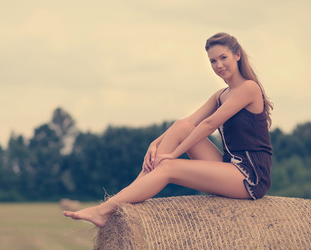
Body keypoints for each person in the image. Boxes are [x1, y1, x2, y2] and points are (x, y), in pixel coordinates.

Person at [63, 32, 273, 228]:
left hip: (250, 175)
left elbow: (209, 125)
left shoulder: (249, 88)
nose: (218, 65)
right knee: (181, 126)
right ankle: (129, 196)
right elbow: (188, 122)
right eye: (212, 61)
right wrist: (154, 144)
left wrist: (172, 154)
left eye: (223, 57)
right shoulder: (221, 94)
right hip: (228, 166)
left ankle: (105, 210)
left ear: (237, 55)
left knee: (169, 167)